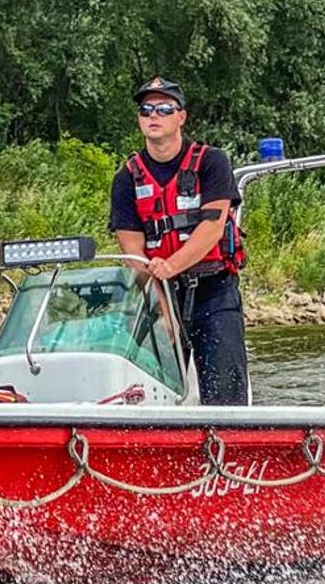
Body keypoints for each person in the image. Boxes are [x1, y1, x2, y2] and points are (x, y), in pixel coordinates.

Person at [107, 76, 251, 405]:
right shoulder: (126, 178)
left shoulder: (212, 162)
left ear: (181, 117)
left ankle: (232, 443)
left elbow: (211, 229)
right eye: (146, 110)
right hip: (161, 296)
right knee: (155, 394)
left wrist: (170, 266)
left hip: (213, 290)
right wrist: (162, 307)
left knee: (224, 391)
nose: (153, 116)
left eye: (163, 109)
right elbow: (132, 250)